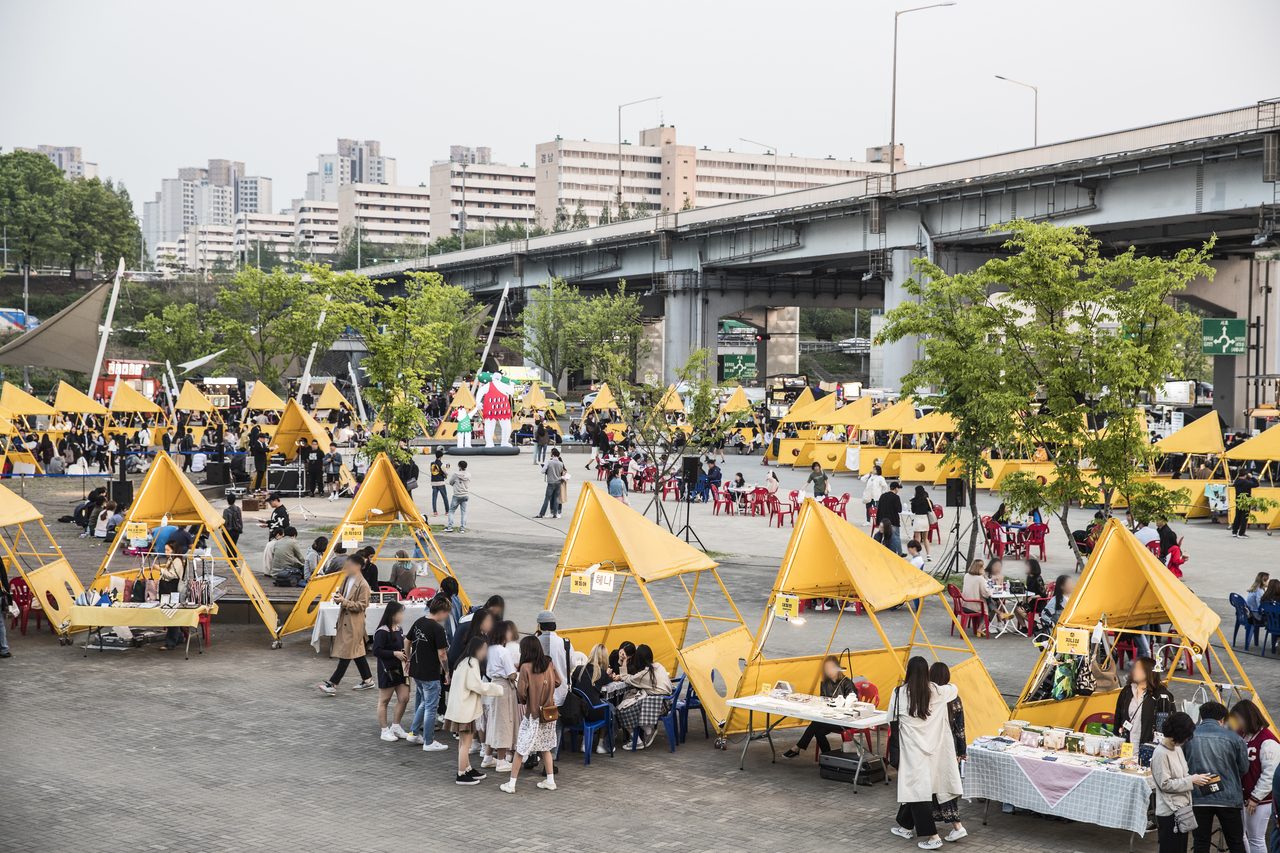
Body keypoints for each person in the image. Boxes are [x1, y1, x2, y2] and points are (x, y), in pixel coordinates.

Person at [887, 655, 963, 850]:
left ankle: (933, 837)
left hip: (911, 752)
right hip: (935, 751)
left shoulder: (899, 693)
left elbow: (890, 720)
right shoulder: (937, 691)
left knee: (915, 792)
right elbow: (954, 689)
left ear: (909, 671)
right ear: (926, 672)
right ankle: (905, 827)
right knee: (923, 791)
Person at [1183, 701, 1250, 853]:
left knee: (1200, 843)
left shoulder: (1189, 736)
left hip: (1198, 796)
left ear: (1202, 717)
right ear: (1222, 720)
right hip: (1229, 797)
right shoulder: (1234, 738)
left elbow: (1183, 765)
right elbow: (1244, 768)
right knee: (1236, 843)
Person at [499, 635, 563, 793]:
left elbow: (521, 693)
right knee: (545, 747)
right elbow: (558, 681)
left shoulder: (525, 667)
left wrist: (529, 697)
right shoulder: (548, 663)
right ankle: (550, 781)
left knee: (521, 749)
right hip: (548, 712)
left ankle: (511, 785)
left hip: (533, 714)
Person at [443, 636, 504, 785]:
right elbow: (476, 685)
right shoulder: (473, 662)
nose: (485, 652)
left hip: (460, 708)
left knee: (463, 743)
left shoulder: (464, 661)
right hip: (465, 710)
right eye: (484, 649)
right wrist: (498, 688)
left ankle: (467, 768)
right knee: (466, 744)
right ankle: (461, 774)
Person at [1153, 711, 1214, 853]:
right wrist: (1191, 780)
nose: (1187, 740)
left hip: (1182, 809)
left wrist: (1196, 780)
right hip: (1170, 812)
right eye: (1185, 736)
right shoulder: (1160, 754)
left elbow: (1183, 775)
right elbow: (1165, 784)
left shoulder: (1177, 749)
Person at [318, 555, 375, 694]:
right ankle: (367, 680)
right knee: (357, 653)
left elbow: (362, 605)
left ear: (358, 566)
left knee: (346, 654)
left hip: (354, 624)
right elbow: (341, 594)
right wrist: (338, 598)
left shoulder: (363, 585)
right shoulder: (347, 578)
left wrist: (343, 601)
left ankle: (333, 683)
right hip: (345, 621)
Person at [1229, 699, 1278, 853]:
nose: (1236, 724)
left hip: (1261, 800)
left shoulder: (1268, 741)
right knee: (1241, 836)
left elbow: (1270, 774)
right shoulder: (1242, 735)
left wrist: (1256, 797)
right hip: (1242, 797)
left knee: (1256, 838)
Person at [782, 656, 855, 758]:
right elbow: (822, 700)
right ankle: (828, 757)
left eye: (832, 667)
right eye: (827, 668)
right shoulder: (824, 682)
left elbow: (854, 702)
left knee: (816, 724)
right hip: (828, 718)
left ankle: (797, 748)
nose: (830, 671)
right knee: (819, 732)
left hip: (843, 720)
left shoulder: (847, 682)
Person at [929, 661, 968, 842]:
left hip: (930, 747)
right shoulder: (954, 698)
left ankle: (957, 825)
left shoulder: (930, 697)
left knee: (939, 786)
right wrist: (962, 751)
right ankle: (909, 824)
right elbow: (960, 728)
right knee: (944, 785)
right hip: (949, 748)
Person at [406, 596, 451, 751]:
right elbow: (442, 654)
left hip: (417, 671)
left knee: (425, 702)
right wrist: (447, 671)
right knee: (431, 707)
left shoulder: (419, 622)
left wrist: (408, 659)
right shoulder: (438, 629)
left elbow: (407, 640)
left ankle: (413, 733)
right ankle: (429, 741)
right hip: (430, 673)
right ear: (443, 611)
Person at [614, 643, 672, 750]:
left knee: (621, 711)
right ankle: (646, 732)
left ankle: (639, 740)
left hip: (658, 706)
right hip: (667, 702)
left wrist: (625, 661)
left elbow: (626, 677)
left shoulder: (644, 674)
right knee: (630, 702)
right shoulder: (658, 666)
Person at [1113, 657, 1175, 746]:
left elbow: (1169, 724)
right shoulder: (1127, 691)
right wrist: (1116, 737)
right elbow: (1118, 715)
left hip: (1149, 747)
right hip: (1127, 746)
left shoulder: (1162, 696)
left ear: (1148, 672)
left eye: (1139, 669)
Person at [484, 621, 520, 772]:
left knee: (493, 721)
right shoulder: (503, 651)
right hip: (504, 687)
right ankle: (500, 761)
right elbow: (511, 675)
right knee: (503, 723)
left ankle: (487, 757)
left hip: (493, 685)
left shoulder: (490, 649)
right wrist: (516, 669)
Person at [372, 601, 411, 742]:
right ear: (393, 615)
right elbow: (376, 651)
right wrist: (394, 653)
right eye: (400, 613)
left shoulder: (398, 628)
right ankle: (384, 730)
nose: (402, 616)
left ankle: (396, 726)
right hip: (387, 669)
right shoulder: (382, 631)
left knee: (404, 697)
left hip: (400, 668)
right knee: (384, 700)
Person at [574, 645, 617, 755]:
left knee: (588, 704)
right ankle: (601, 745)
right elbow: (609, 679)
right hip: (592, 712)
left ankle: (584, 743)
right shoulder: (601, 674)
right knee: (609, 710)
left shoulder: (578, 669)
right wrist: (608, 674)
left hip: (577, 710)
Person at [157, 542, 188, 651]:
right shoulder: (171, 560)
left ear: (174, 550)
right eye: (165, 550)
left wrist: (160, 570)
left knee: (171, 616)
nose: (166, 552)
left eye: (168, 550)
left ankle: (170, 643)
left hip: (173, 590)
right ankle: (179, 637)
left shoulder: (177, 561)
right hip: (168, 590)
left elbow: (172, 576)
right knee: (169, 615)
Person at [961, 559, 992, 634]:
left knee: (988, 603)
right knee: (989, 606)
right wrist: (993, 590)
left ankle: (999, 613)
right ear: (980, 568)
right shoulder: (980, 579)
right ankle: (980, 627)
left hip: (963, 604)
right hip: (974, 606)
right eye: (983, 566)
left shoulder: (967, 575)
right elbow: (986, 594)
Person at [536, 447, 566, 519]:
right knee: (556, 498)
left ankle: (541, 514)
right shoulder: (561, 463)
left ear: (552, 455)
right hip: (558, 482)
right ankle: (555, 514)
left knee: (547, 498)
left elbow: (542, 471)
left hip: (551, 482)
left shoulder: (549, 462)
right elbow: (561, 472)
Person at [877, 481, 904, 554]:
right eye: (898, 488)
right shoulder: (896, 497)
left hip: (883, 521)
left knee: (884, 536)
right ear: (896, 488)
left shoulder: (883, 496)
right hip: (893, 521)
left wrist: (878, 521)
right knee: (896, 537)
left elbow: (879, 508)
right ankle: (899, 553)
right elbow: (899, 510)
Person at [1233, 470, 1259, 539]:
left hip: (1238, 500)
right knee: (1244, 517)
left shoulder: (1236, 481)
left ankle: (1234, 531)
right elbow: (1256, 484)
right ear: (1245, 475)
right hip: (1245, 501)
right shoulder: (1246, 483)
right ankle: (1241, 533)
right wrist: (1252, 477)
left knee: (1237, 516)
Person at [445, 460, 470, 533]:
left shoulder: (456, 474)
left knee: (451, 511)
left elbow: (450, 482)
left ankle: (450, 526)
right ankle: (462, 528)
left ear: (460, 467)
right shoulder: (468, 475)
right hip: (465, 495)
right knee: (463, 512)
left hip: (457, 495)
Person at [909, 485, 933, 559]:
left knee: (917, 539)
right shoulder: (927, 500)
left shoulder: (914, 500)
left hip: (917, 518)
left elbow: (913, 511)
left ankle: (917, 554)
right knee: (926, 538)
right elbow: (931, 509)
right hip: (925, 519)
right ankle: (928, 555)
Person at [429, 449, 449, 517]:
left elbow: (431, 471)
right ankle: (447, 511)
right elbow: (446, 473)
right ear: (441, 456)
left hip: (433, 482)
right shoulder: (442, 464)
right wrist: (448, 468)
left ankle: (435, 512)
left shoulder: (432, 464)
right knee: (444, 497)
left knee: (434, 498)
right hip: (441, 482)